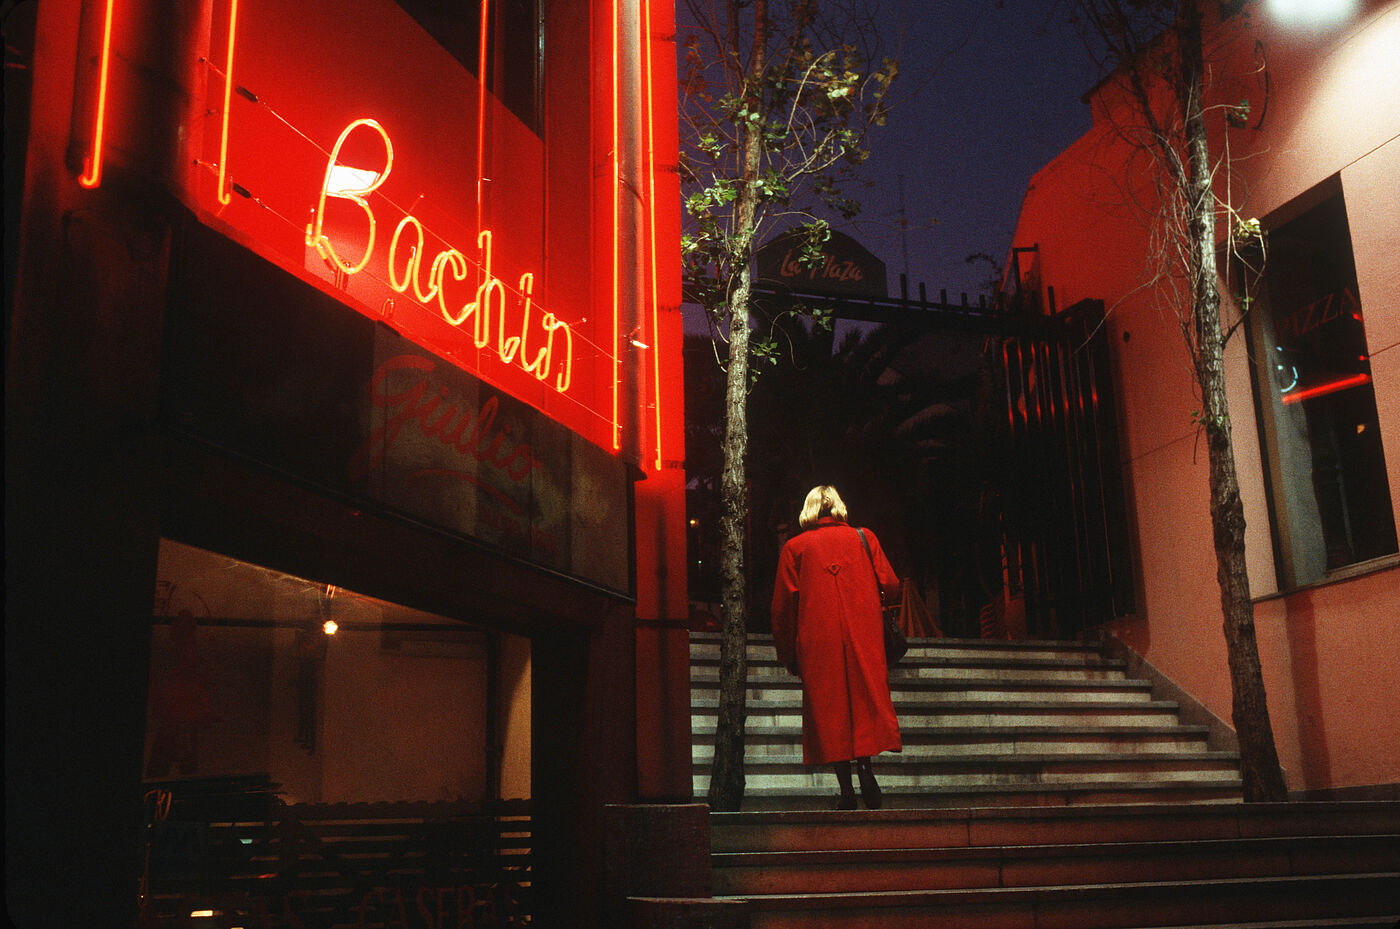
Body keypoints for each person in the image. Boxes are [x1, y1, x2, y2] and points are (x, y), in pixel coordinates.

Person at [770, 485, 902, 810]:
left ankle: (846, 791)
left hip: (817, 640)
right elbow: (891, 585)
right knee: (862, 703)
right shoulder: (864, 538)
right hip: (863, 634)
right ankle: (866, 772)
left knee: (829, 711)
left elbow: (782, 608)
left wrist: (788, 652)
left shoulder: (794, 548)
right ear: (838, 507)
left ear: (810, 510)